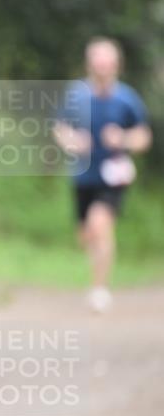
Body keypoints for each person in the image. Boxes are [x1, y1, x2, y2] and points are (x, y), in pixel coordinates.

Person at [54, 37, 151, 313]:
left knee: (101, 224)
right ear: (89, 63)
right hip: (83, 177)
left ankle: (99, 288)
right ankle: (97, 271)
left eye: (107, 61)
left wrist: (123, 138)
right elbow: (59, 129)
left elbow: (143, 137)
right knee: (86, 234)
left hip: (113, 177)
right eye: (98, 61)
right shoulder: (76, 95)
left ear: (116, 65)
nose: (103, 66)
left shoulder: (127, 98)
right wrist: (73, 140)